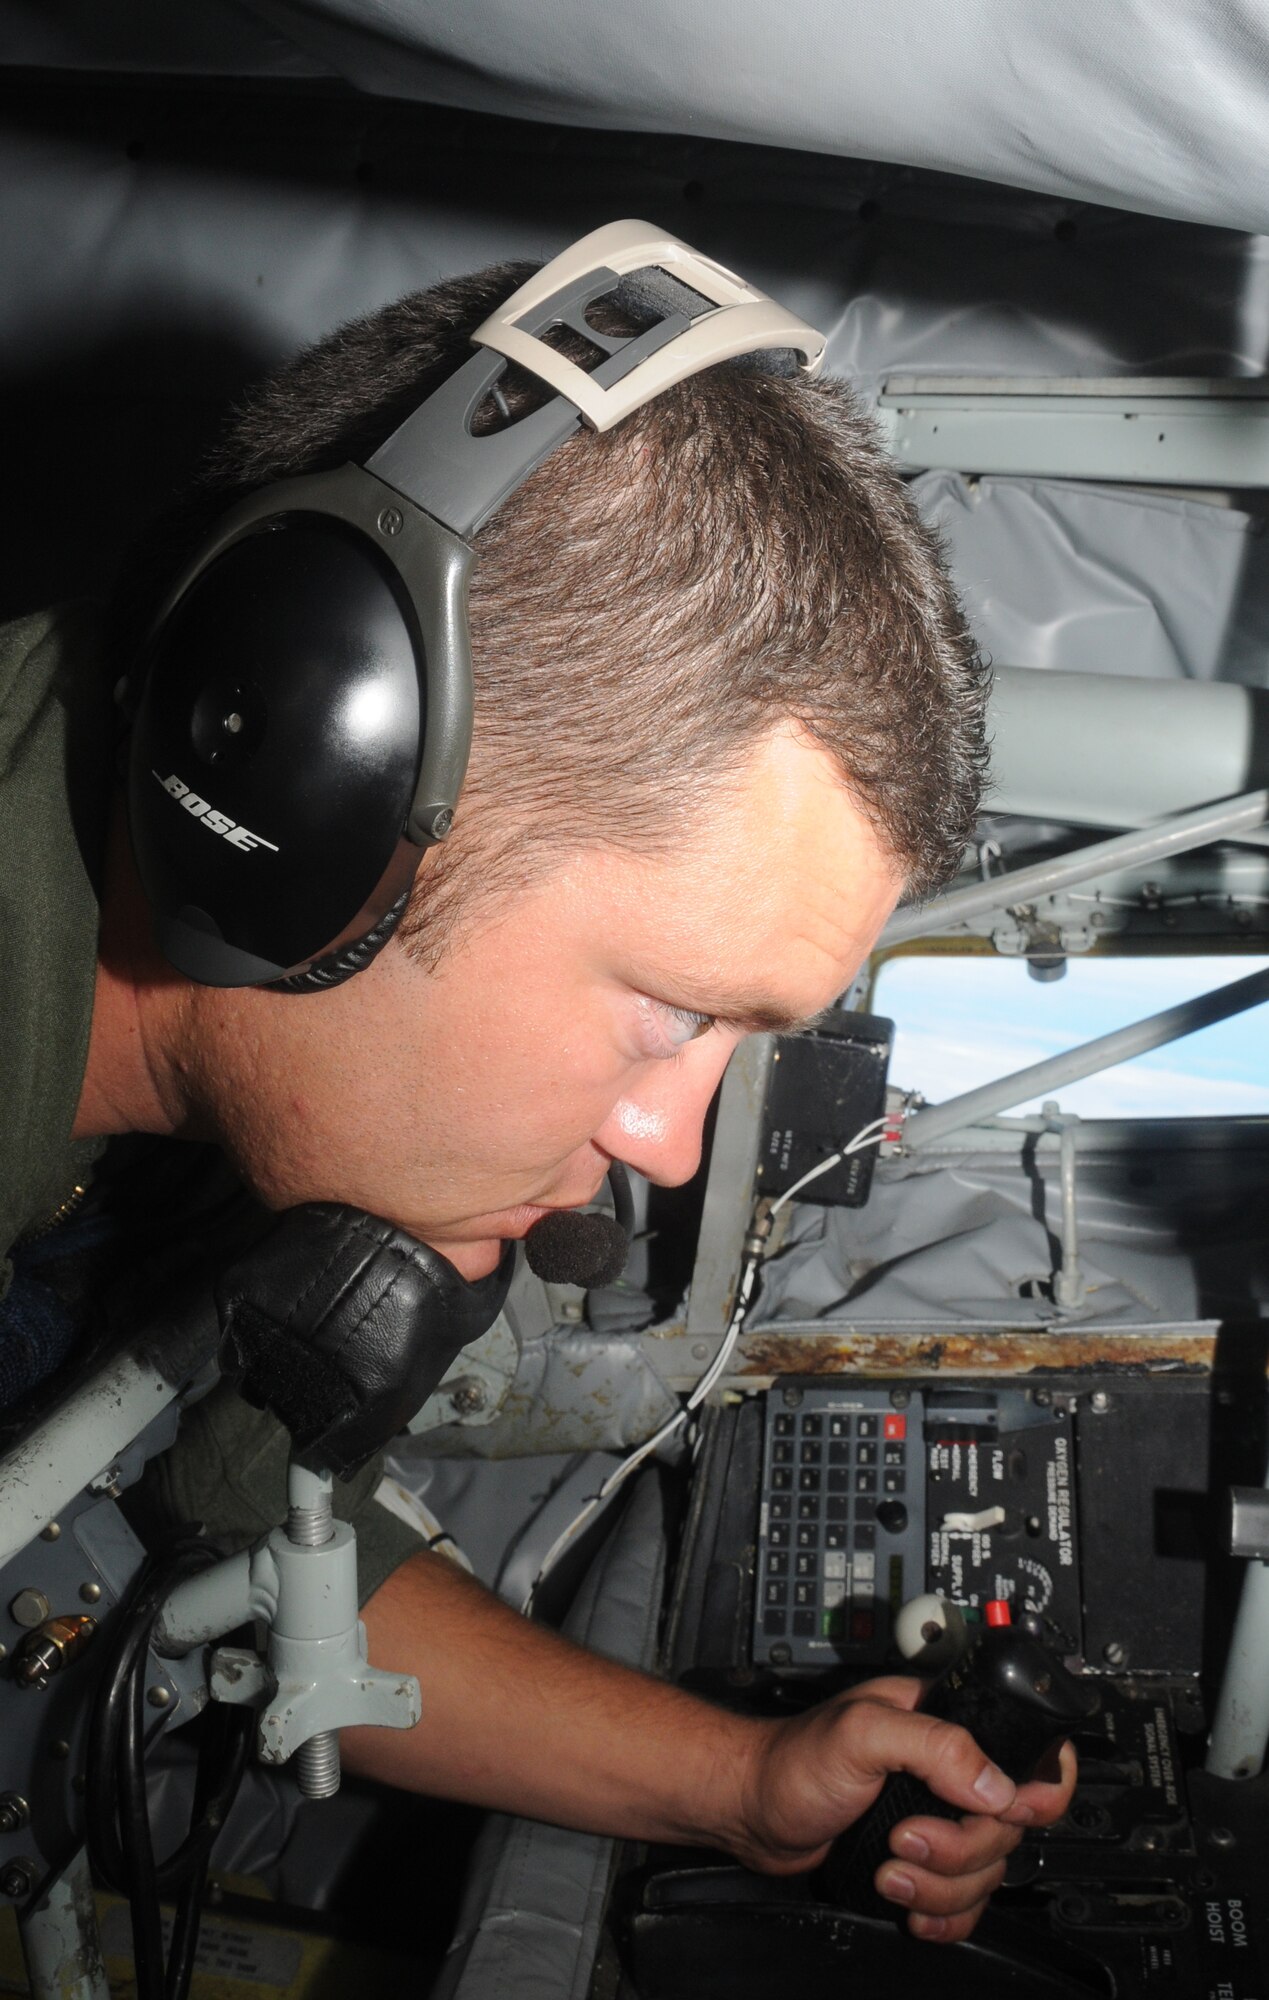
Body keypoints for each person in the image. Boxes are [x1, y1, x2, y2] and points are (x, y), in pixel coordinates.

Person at [0, 246, 1075, 1947]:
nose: (661, 1142)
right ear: (294, 780)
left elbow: (266, 1525)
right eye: (668, 1012)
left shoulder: (266, 1096)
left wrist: (736, 1789)